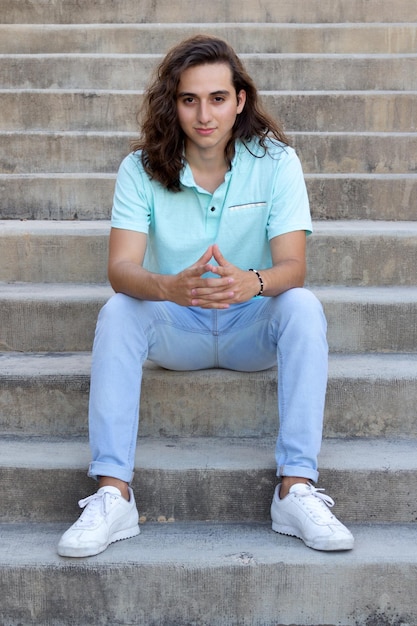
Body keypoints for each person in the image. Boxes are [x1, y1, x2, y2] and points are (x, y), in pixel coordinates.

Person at [58, 34, 354, 558]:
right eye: (189, 99)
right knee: (119, 310)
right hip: (179, 329)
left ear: (239, 100)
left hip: (250, 330)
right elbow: (121, 269)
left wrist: (253, 282)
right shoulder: (140, 168)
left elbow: (294, 268)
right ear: (172, 103)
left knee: (303, 307)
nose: (204, 115)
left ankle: (296, 488)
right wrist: (167, 287)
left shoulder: (278, 162)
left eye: (217, 98)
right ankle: (112, 494)